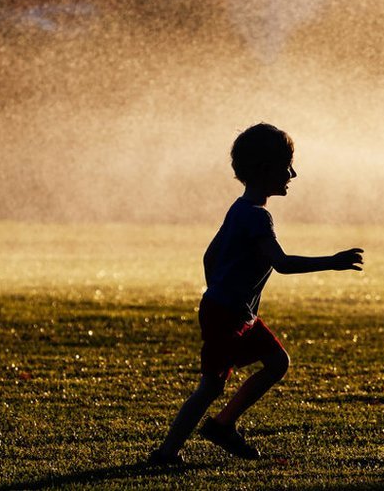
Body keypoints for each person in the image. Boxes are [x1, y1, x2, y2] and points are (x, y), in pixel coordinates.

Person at [149, 123, 364, 464]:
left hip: (233, 310)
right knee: (210, 387)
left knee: (277, 362)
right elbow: (282, 264)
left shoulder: (239, 208)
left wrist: (220, 289)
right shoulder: (257, 217)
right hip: (228, 314)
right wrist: (332, 262)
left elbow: (210, 256)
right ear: (265, 170)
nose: (293, 173)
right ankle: (166, 453)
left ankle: (222, 425)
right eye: (286, 166)